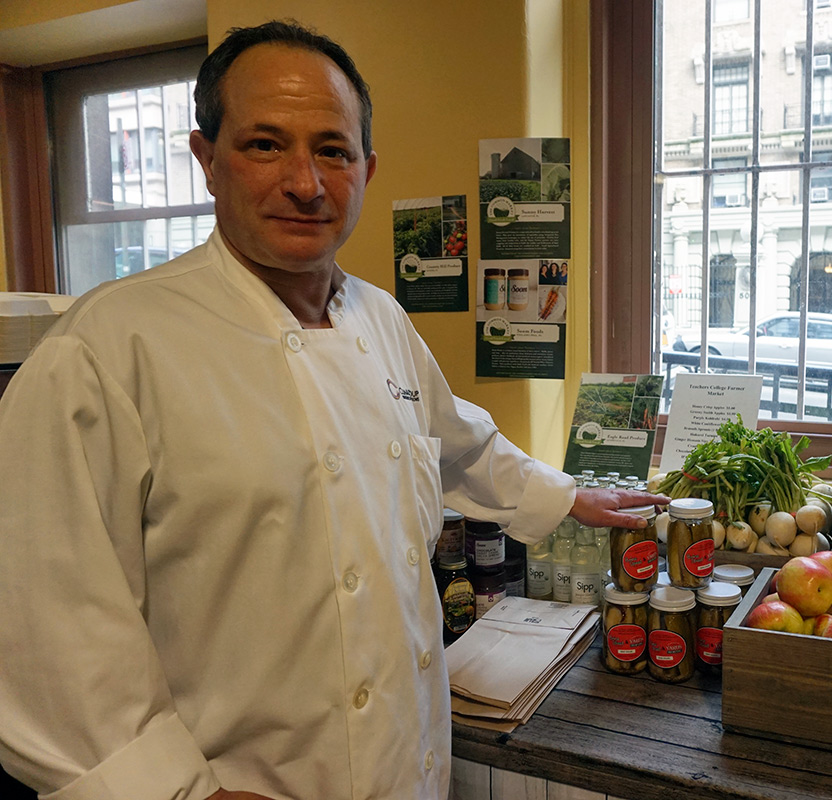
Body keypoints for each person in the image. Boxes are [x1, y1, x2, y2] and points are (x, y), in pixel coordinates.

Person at [0, 21, 664, 800]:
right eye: (265, 145)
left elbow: (454, 445)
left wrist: (570, 497)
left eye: (333, 151)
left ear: (367, 168)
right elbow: (48, 629)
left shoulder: (380, 319)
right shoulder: (106, 351)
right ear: (206, 159)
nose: (306, 182)